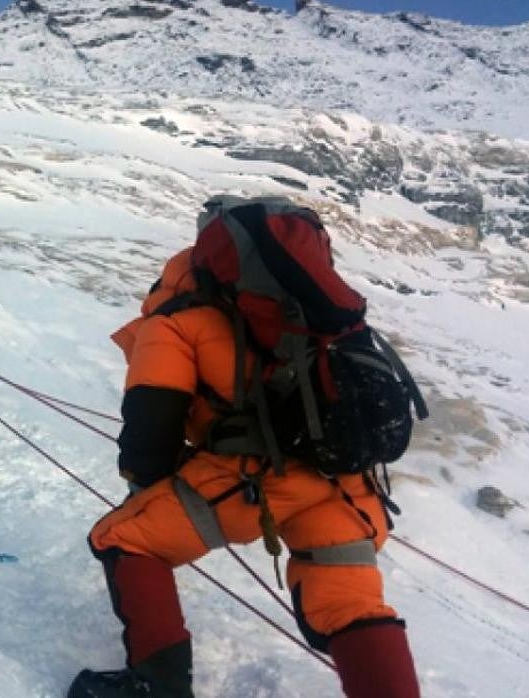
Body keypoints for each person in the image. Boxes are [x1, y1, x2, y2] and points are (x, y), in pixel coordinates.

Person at [72, 199, 421, 698]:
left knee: (127, 539)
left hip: (253, 480)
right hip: (345, 483)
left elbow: (152, 421)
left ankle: (157, 688)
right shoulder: (317, 312)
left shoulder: (177, 319)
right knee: (350, 603)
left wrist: (147, 487)